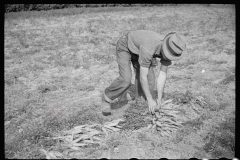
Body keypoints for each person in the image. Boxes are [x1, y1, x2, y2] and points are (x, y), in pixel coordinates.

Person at [101, 30, 187, 116]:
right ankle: (106, 98)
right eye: (168, 55)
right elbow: (143, 76)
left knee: (150, 79)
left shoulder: (171, 49)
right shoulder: (149, 49)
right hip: (126, 46)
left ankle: (140, 101)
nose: (169, 57)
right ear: (164, 48)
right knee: (126, 79)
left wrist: (159, 98)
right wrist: (150, 98)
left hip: (139, 50)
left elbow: (163, 74)